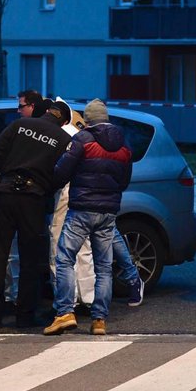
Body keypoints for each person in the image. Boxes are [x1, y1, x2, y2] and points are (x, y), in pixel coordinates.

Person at [44, 99, 133, 336]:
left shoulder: (82, 140)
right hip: (108, 212)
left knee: (64, 259)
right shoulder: (124, 145)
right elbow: (124, 181)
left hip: (81, 210)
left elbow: (63, 172)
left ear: (89, 119)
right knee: (104, 266)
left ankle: (64, 312)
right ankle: (99, 320)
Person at [0, 97, 72, 328]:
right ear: (63, 122)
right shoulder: (63, 138)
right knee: (29, 260)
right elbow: (62, 173)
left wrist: (2, 178)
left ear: (48, 112)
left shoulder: (19, 125)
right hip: (33, 199)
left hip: (4, 193)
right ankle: (24, 316)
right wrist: (45, 188)